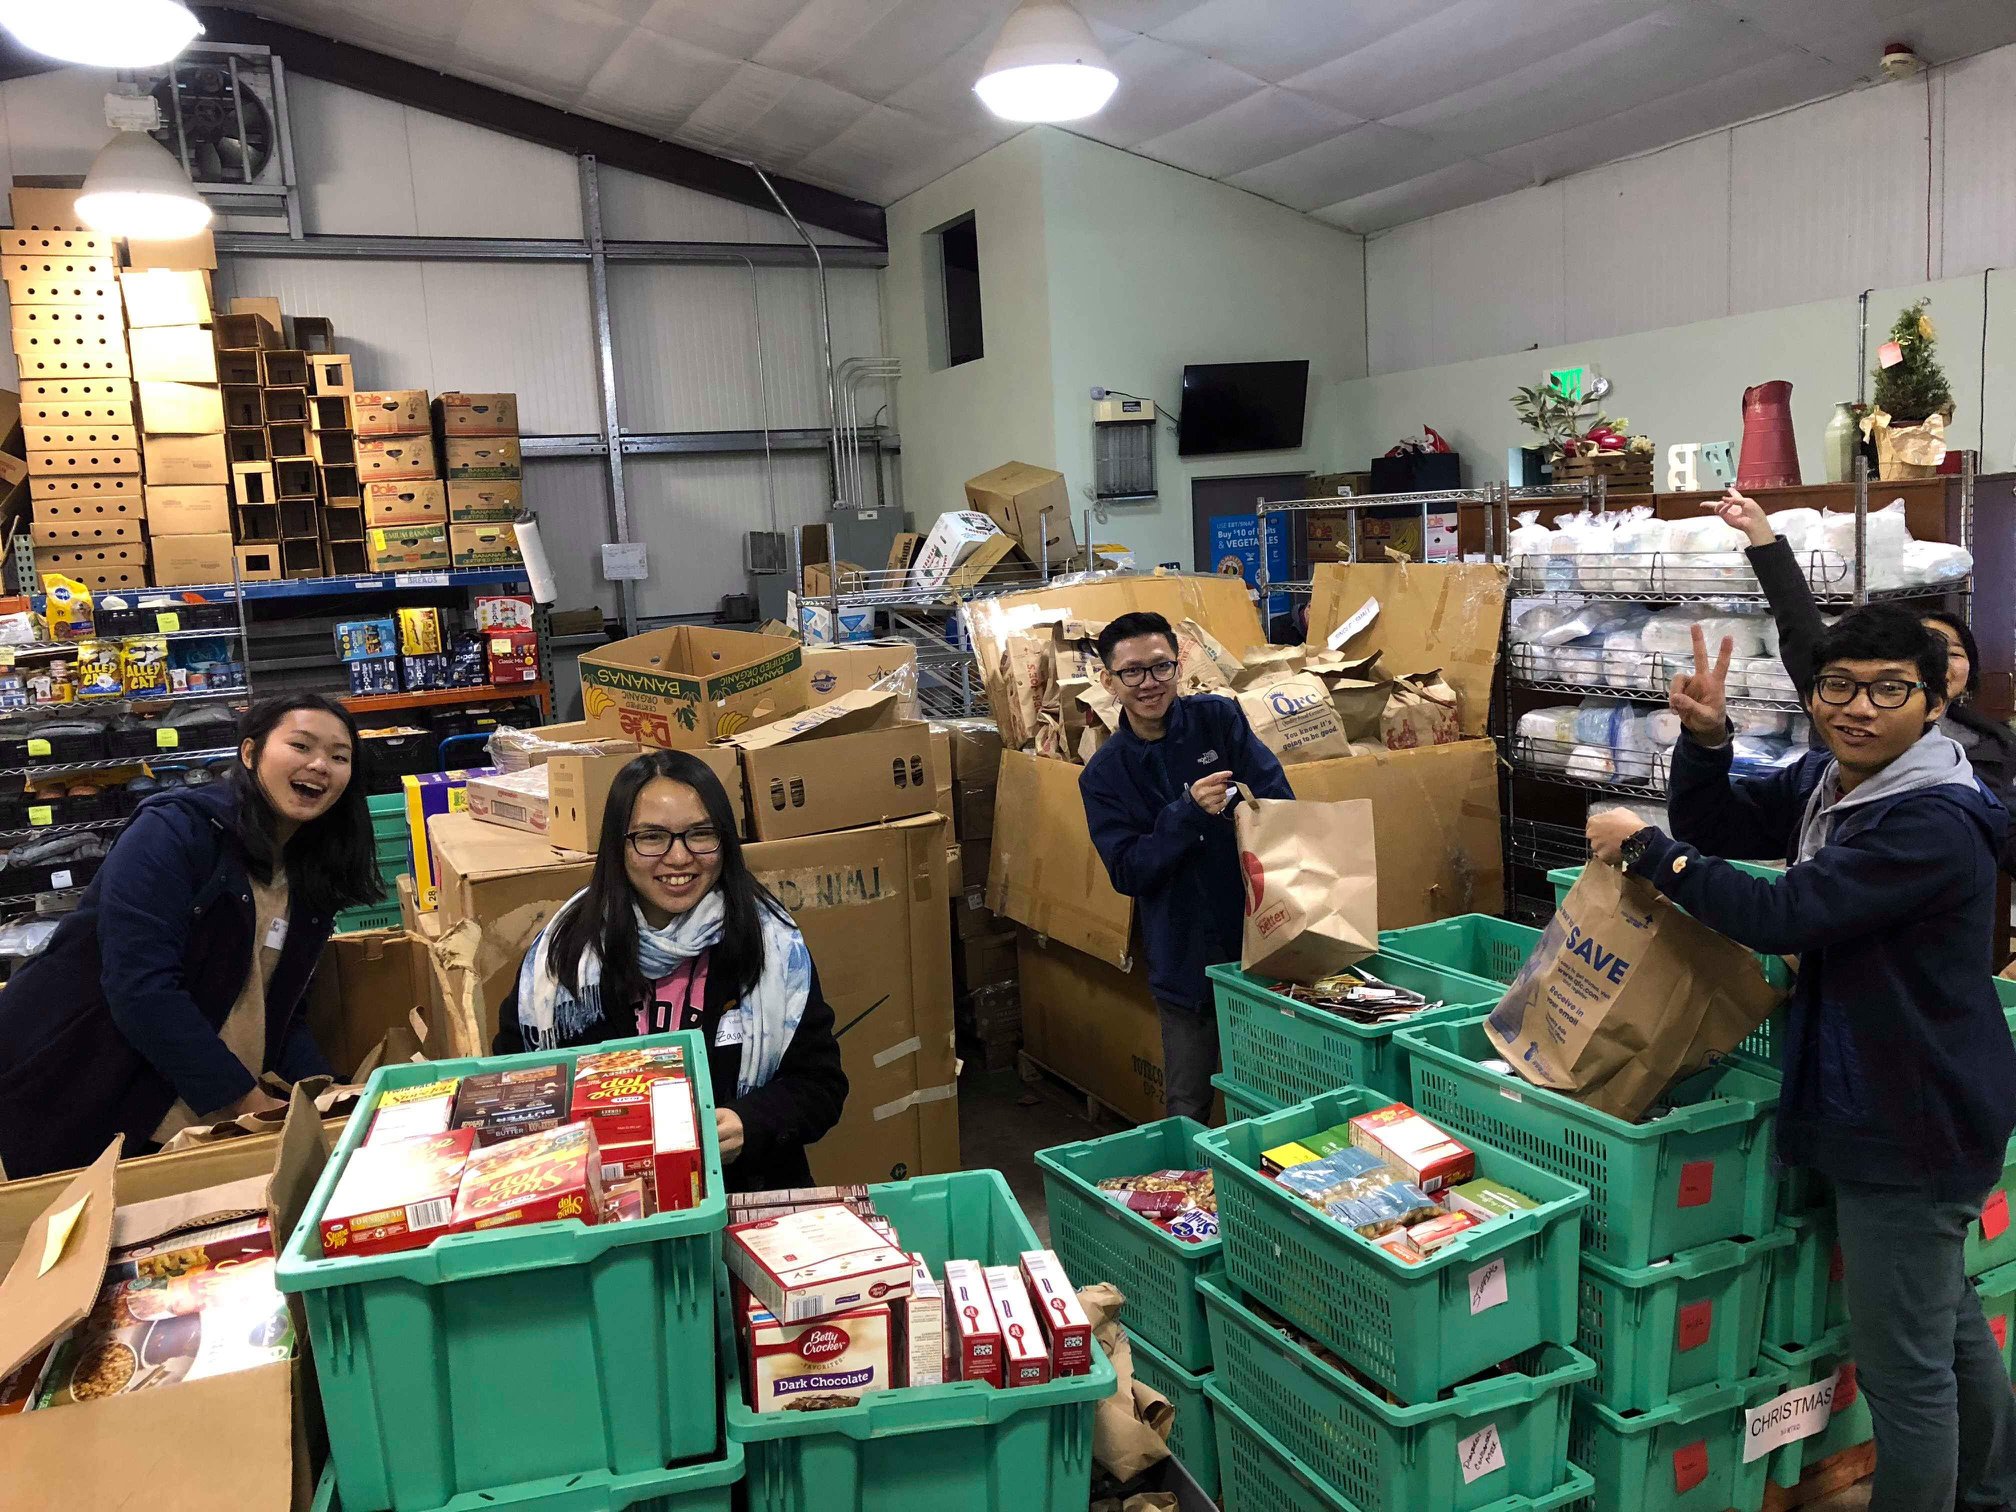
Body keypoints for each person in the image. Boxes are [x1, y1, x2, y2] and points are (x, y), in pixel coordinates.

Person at [1587, 609, 2016, 1512]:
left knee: (1907, 1375)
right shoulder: (1834, 779)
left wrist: (1644, 851)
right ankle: (1993, 1487)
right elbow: (1727, 822)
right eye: (1839, 687)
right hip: (1883, 1086)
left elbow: (1781, 915)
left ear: (1936, 702)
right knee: (1946, 1318)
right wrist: (1707, 743)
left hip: (1913, 1112)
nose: (1858, 709)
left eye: (1889, 690)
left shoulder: (1931, 819)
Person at [0, 693, 383, 1179]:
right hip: (89, 1096)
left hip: (200, 1116)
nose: (320, 765)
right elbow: (141, 989)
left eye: (339, 756)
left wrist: (329, 1097)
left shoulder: (310, 872)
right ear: (249, 754)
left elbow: (281, 1013)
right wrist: (248, 1103)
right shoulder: (173, 832)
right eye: (301, 745)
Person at [500, 749, 845, 1191]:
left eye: (700, 834)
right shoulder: (564, 955)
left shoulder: (771, 945)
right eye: (652, 837)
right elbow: (515, 1082)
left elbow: (820, 1085)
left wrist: (749, 1123)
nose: (679, 858)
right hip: (603, 1206)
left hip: (742, 1196)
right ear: (618, 844)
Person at [1712, 486, 2016, 870]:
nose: (1862, 710)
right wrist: (1761, 537)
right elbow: (1802, 630)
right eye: (1844, 685)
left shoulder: (1986, 749)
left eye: (1952, 653)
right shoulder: (1838, 738)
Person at [1079, 611, 1293, 1121]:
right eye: (1132, 672)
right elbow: (1128, 871)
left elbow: (1280, 803)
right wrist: (1186, 814)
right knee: (1188, 1103)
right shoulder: (1105, 776)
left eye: (1160, 667)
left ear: (1179, 666)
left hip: (1259, 938)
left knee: (1272, 1093)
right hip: (1182, 959)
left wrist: (1243, 807)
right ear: (1109, 681)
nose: (1149, 683)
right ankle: (1195, 1192)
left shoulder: (1218, 720)